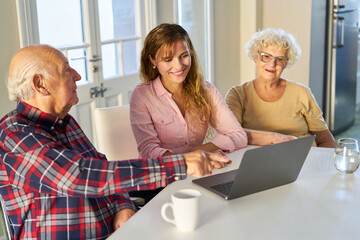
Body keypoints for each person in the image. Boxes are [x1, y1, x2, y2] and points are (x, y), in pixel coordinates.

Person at [0, 45, 231, 240]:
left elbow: (102, 167)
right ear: (40, 84)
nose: (77, 76)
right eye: (66, 70)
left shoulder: (65, 122)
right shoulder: (15, 134)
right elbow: (81, 176)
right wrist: (181, 164)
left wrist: (124, 206)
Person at [130, 23, 294, 164]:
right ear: (152, 60)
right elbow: (148, 150)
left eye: (184, 56)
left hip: (199, 171)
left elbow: (238, 135)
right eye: (168, 60)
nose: (179, 65)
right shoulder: (142, 95)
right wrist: (191, 159)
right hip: (159, 179)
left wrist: (200, 153)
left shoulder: (207, 91)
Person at [225, 28, 335, 147]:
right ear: (255, 56)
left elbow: (326, 140)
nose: (272, 64)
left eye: (280, 59)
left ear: (286, 63)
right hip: (257, 160)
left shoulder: (302, 93)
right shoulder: (237, 94)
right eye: (266, 56)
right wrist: (273, 138)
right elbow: (230, 134)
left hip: (303, 158)